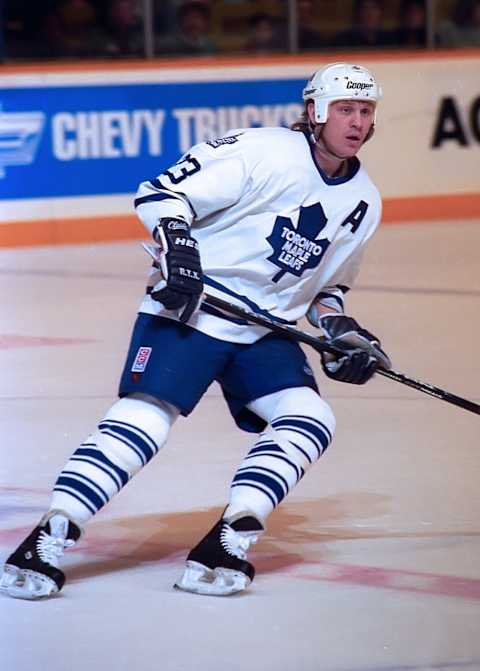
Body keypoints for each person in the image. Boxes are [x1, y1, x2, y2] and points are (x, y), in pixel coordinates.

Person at [0, 62, 391, 600]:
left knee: (310, 418)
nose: (355, 121)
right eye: (345, 109)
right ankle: (51, 533)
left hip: (264, 330)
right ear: (315, 111)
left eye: (364, 111)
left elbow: (327, 291)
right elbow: (159, 194)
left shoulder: (365, 203)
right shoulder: (260, 150)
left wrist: (342, 331)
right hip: (194, 309)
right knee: (147, 417)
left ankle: (230, 536)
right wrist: (180, 250)